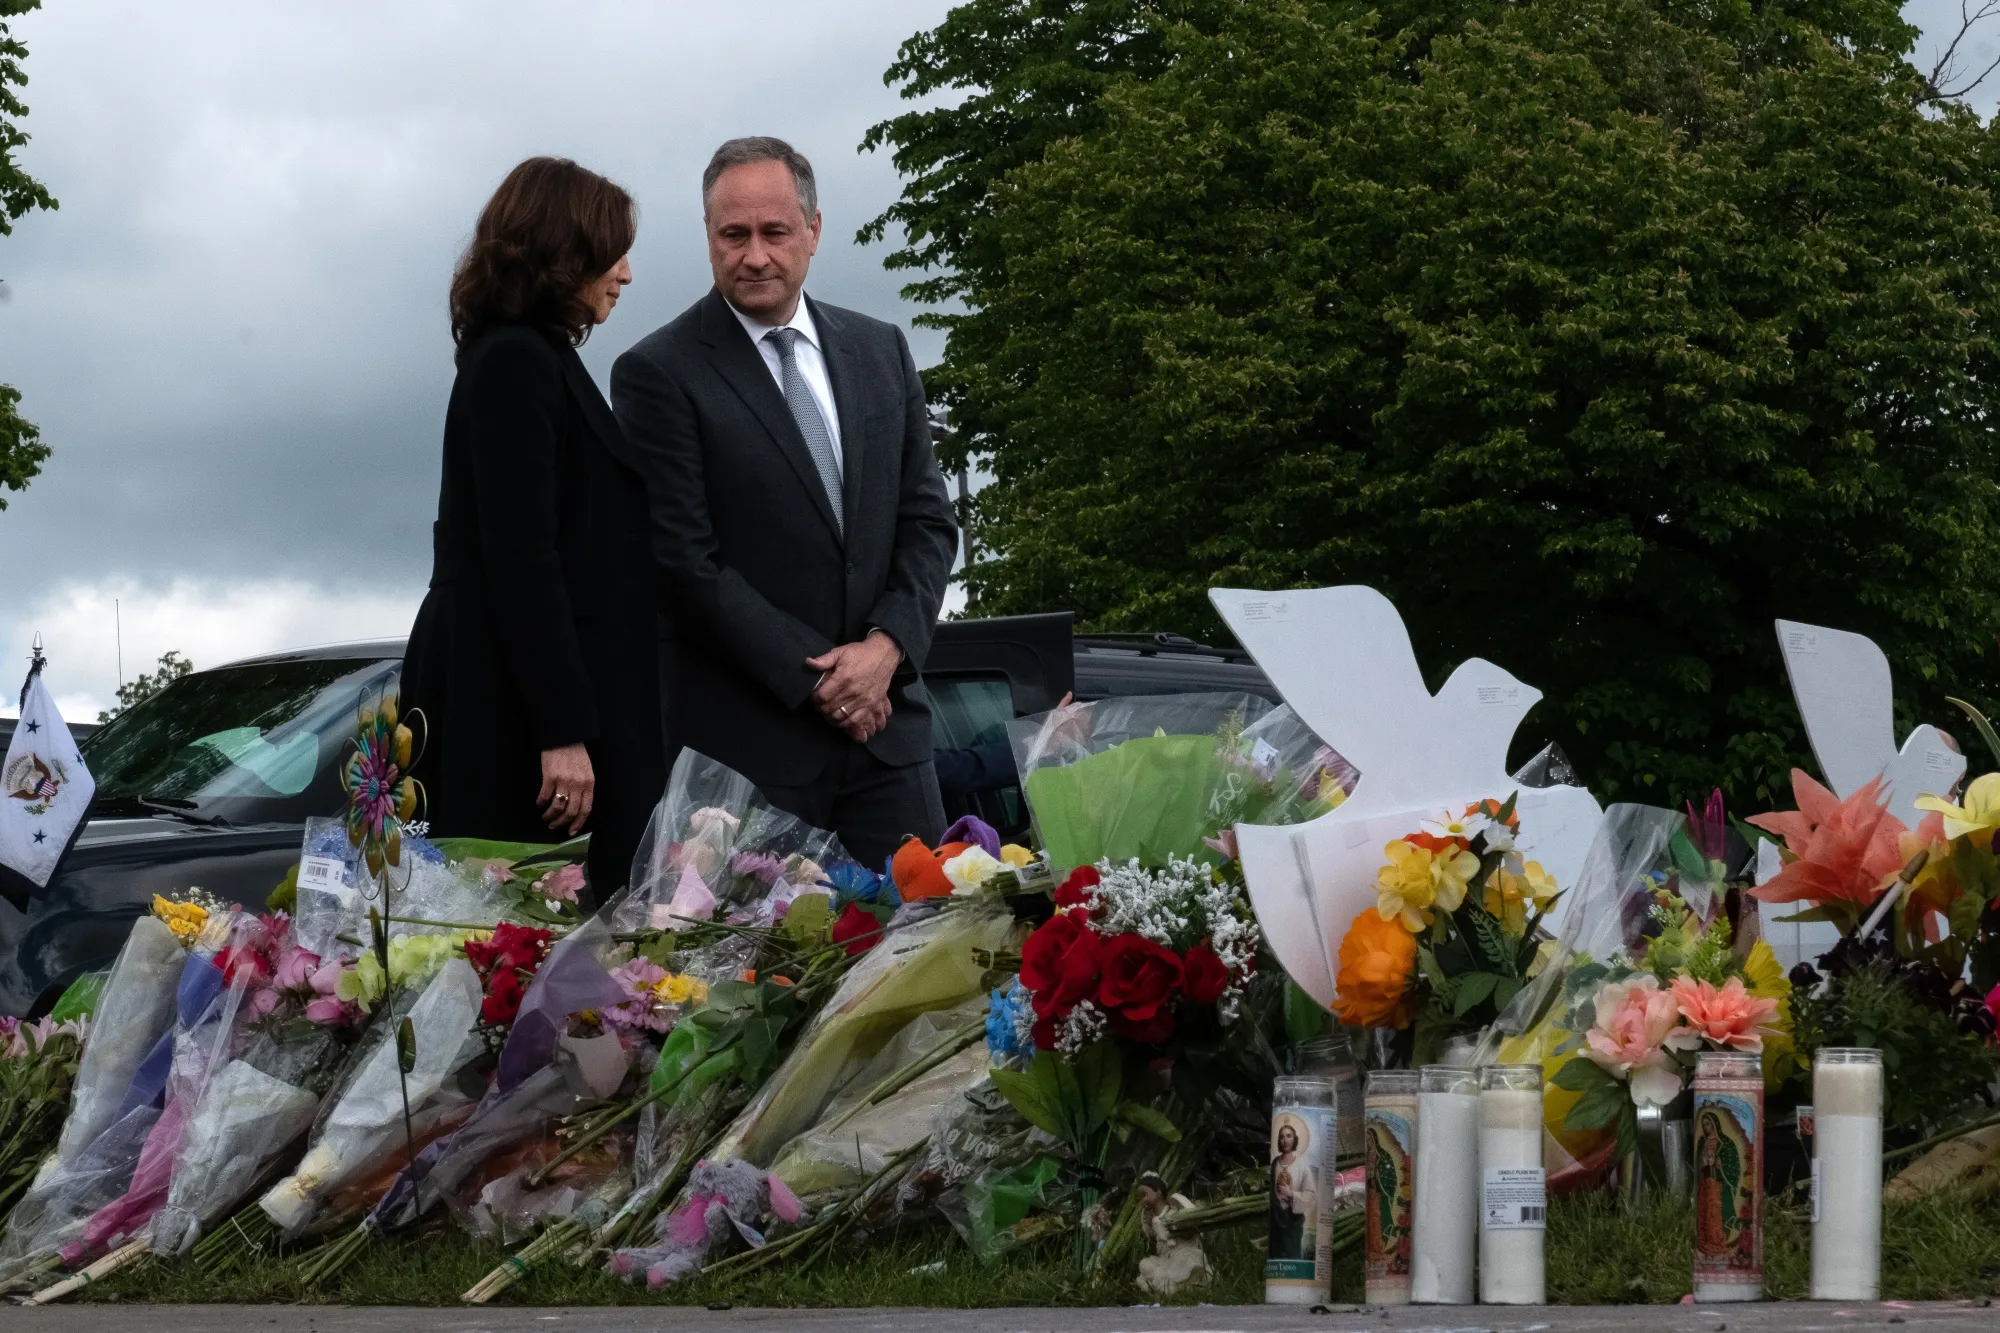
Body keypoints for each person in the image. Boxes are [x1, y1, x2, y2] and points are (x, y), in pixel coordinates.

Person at [612, 137, 958, 867]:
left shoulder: (881, 350)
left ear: (814, 232)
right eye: (733, 235)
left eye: (775, 233)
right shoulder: (657, 374)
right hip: (745, 763)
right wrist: (829, 684)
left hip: (889, 744)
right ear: (709, 240)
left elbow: (927, 522)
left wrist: (882, 654)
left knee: (925, 964)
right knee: (754, 979)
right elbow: (685, 564)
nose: (756, 255)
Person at [402, 156, 664, 907]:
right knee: (524, 931)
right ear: (564, 252)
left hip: (520, 700)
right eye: (611, 251)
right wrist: (563, 730)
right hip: (515, 720)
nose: (626, 273)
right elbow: (521, 556)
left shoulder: (529, 358)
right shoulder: (516, 363)